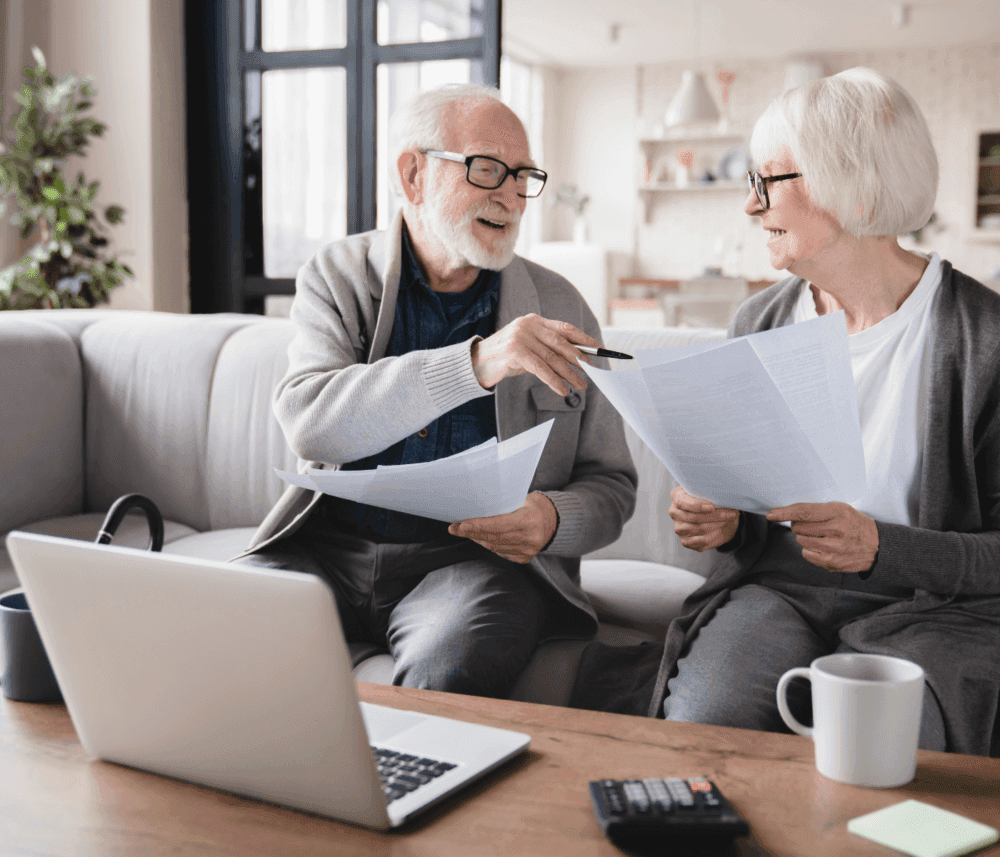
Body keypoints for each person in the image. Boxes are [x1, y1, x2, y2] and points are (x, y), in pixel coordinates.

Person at [237, 83, 637, 700]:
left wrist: (552, 519)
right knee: (217, 626)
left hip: (471, 569)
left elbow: (612, 484)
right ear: (414, 174)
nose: (509, 193)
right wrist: (476, 363)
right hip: (325, 550)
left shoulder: (561, 306)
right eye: (486, 169)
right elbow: (310, 424)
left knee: (451, 663)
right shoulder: (337, 277)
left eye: (522, 175)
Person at [653, 67, 1000, 755]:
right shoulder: (760, 321)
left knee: (884, 758)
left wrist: (881, 546)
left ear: (855, 184)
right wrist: (720, 521)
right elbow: (745, 513)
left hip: (933, 610)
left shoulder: (984, 338)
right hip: (778, 592)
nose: (751, 208)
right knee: (701, 728)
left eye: (768, 182)